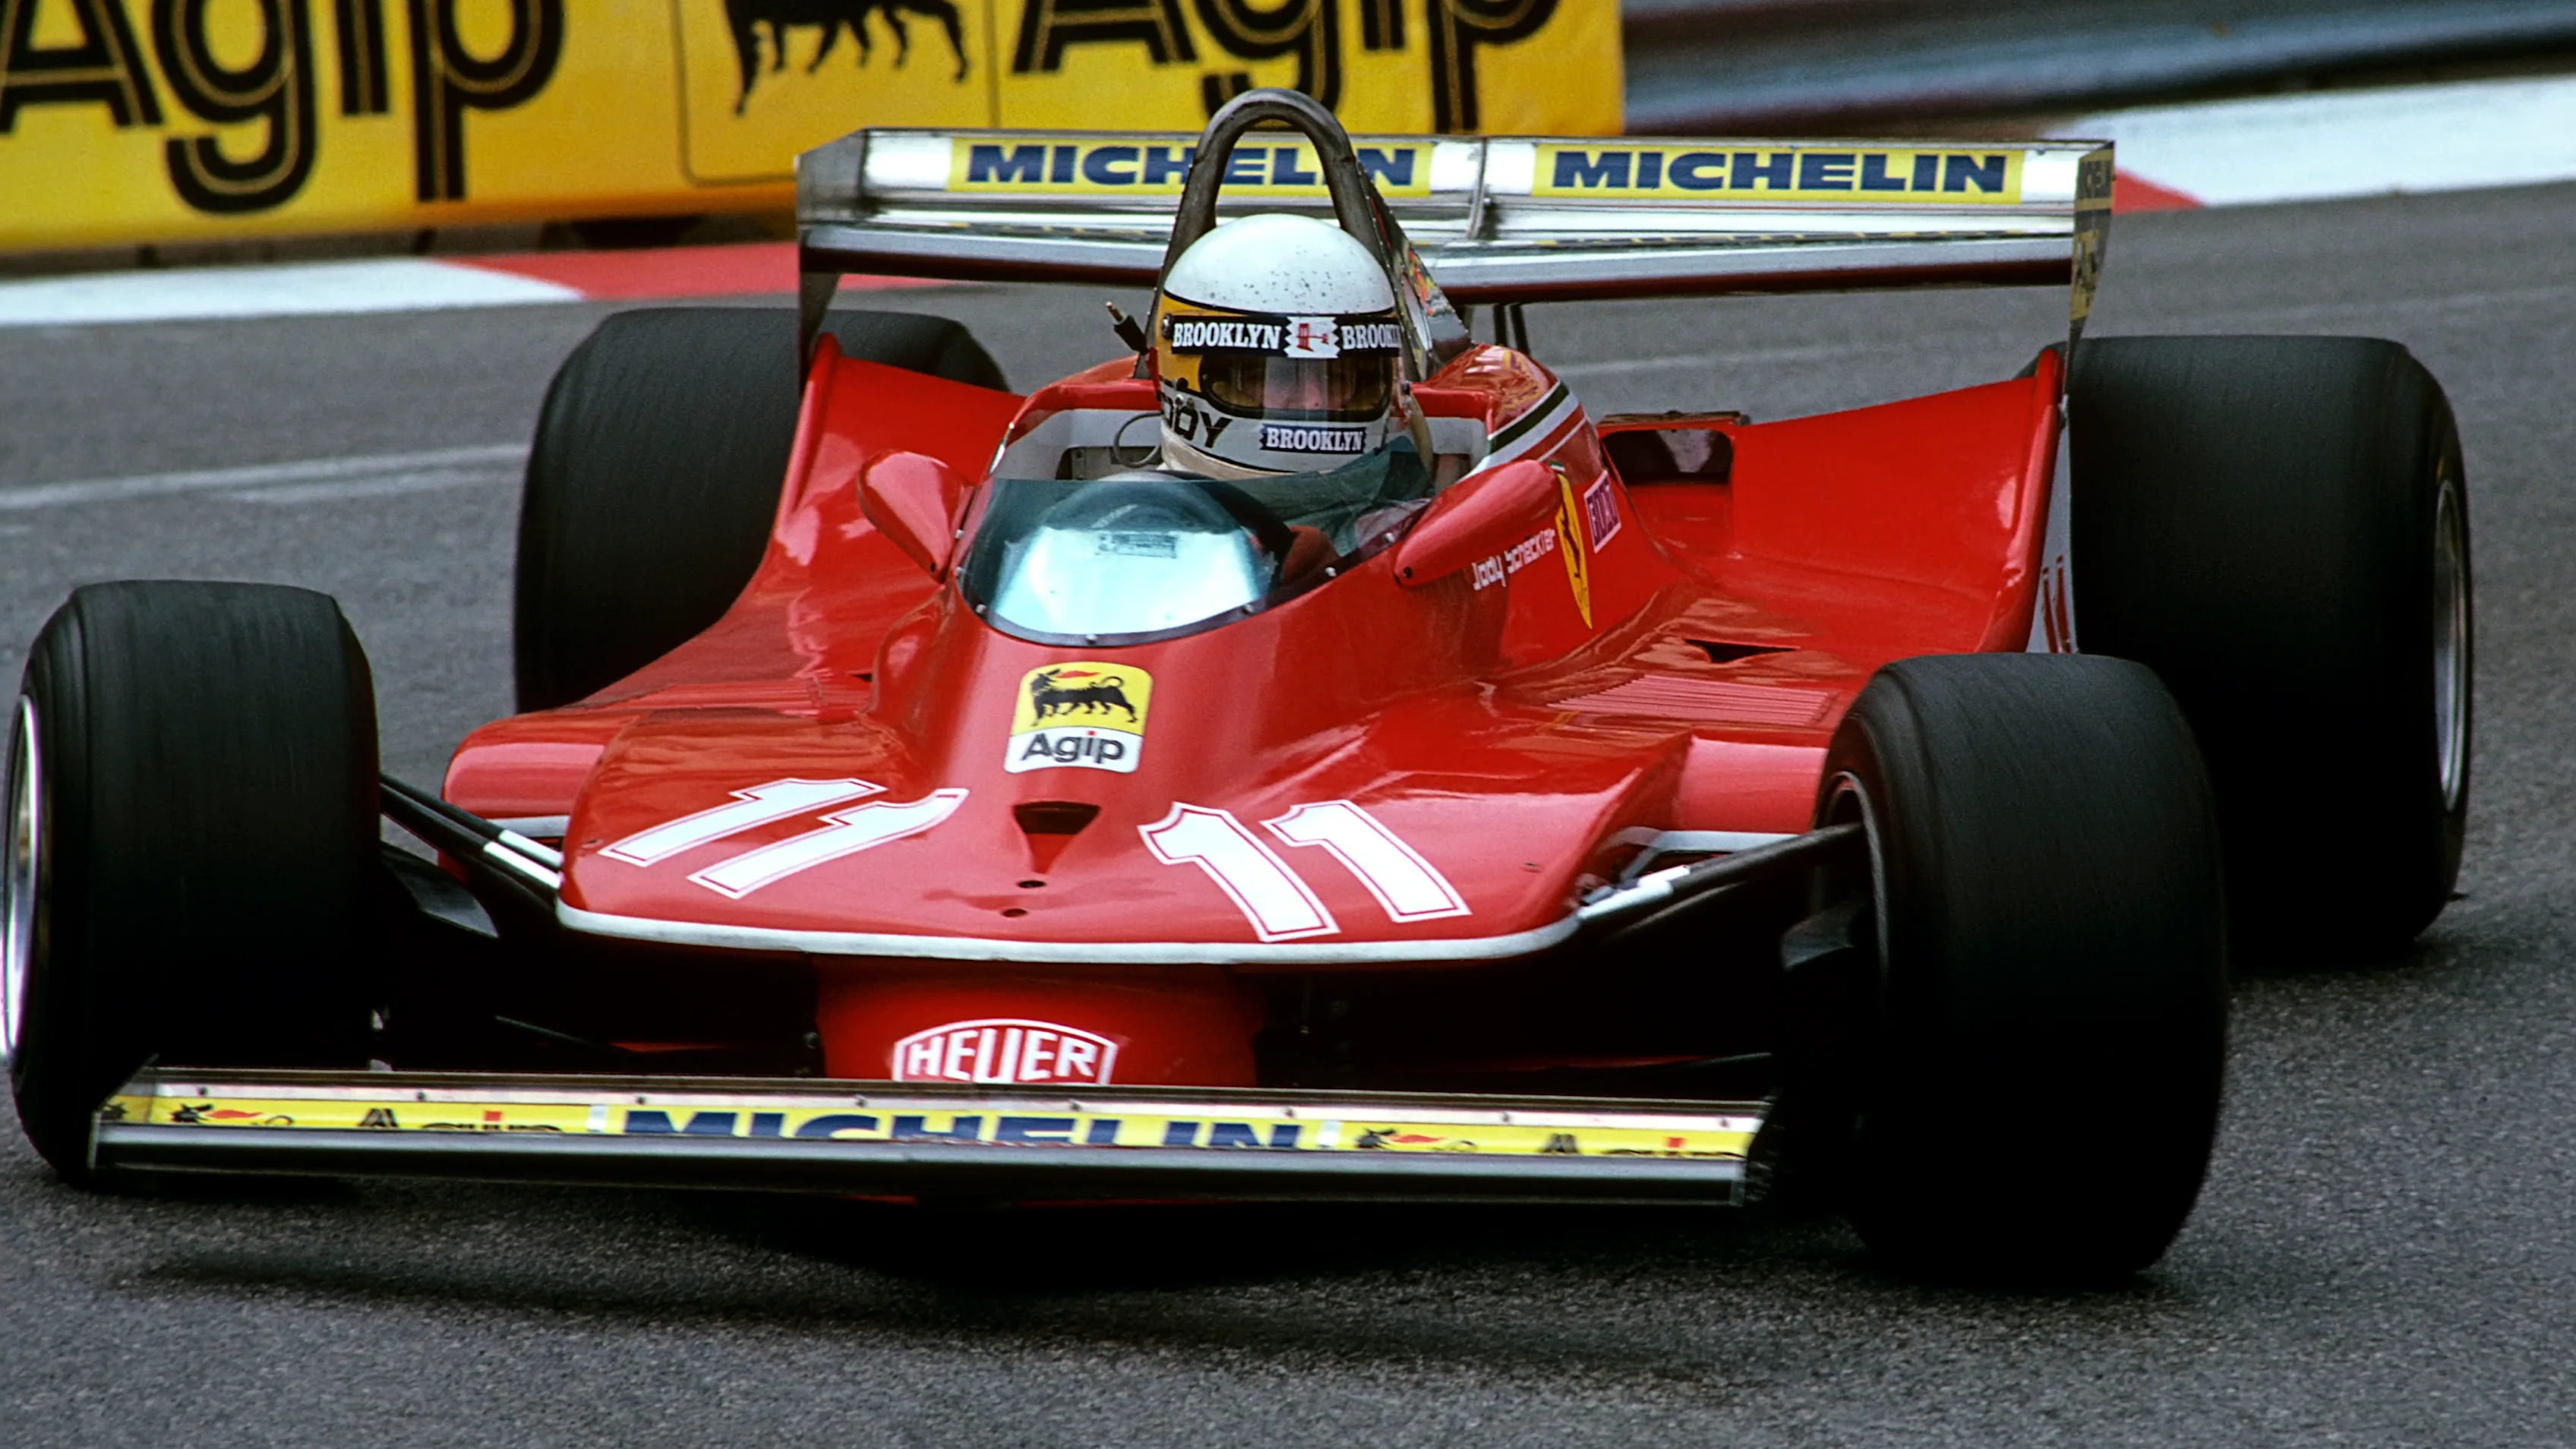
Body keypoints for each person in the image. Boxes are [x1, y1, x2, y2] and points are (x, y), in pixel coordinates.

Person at [1149, 212, 1435, 554]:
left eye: (1338, 377)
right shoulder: (1129, 524)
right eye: (1280, 375)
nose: (1315, 400)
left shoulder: (1417, 537)